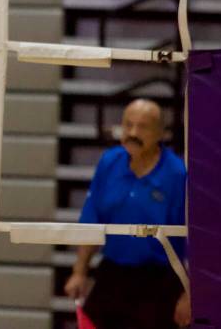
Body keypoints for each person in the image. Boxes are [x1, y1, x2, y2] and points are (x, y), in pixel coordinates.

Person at [64, 99, 191, 329]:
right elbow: (92, 219)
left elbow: (192, 239)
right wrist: (79, 271)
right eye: (128, 125)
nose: (133, 132)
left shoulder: (177, 174)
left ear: (161, 133)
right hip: (113, 273)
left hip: (158, 280)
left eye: (143, 127)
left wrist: (189, 294)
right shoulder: (109, 161)